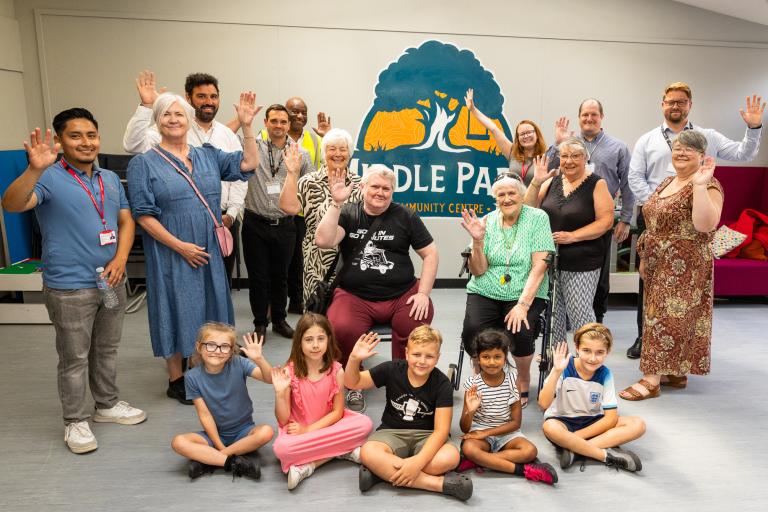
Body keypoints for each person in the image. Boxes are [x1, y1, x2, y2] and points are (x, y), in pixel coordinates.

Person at [2, 108, 146, 454]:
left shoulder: (109, 179)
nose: (86, 142)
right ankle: (75, 421)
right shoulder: (48, 177)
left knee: (107, 349)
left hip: (110, 279)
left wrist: (121, 259)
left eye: (91, 135)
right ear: (61, 140)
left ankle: (107, 405)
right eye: (76, 136)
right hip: (69, 285)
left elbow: (126, 221)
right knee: (74, 357)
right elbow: (12, 204)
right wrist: (35, 168)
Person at [127, 92, 260, 404]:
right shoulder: (143, 164)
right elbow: (143, 216)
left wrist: (247, 126)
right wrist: (180, 246)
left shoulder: (208, 155)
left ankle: (205, 371)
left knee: (211, 307)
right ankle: (176, 378)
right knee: (174, 307)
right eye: (166, 114)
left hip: (208, 248)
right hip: (170, 249)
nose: (173, 120)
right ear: (157, 121)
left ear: (189, 120)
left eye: (179, 114)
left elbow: (249, 163)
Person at [626, 82, 764, 359]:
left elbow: (743, 154)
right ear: (662, 104)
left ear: (690, 105)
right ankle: (645, 337)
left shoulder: (707, 136)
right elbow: (634, 177)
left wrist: (753, 129)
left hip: (694, 220)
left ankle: (684, 347)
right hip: (656, 220)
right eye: (670, 101)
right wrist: (661, 202)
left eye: (681, 101)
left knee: (687, 290)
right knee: (650, 282)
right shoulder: (647, 139)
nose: (675, 106)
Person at [315, 164, 439, 412]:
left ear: (393, 192)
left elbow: (431, 253)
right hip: (355, 296)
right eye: (375, 186)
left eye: (387, 188)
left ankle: (406, 383)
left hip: (401, 293)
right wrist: (336, 204)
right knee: (341, 328)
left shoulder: (406, 216)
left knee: (415, 323)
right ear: (362, 188)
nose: (380, 192)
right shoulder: (348, 213)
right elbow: (323, 241)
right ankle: (353, 383)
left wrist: (423, 294)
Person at [619, 131, 723, 401]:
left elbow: (705, 225)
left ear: (702, 156)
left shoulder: (709, 185)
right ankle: (673, 371)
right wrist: (644, 258)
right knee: (660, 316)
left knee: (663, 319)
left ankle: (651, 379)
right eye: (678, 147)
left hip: (685, 265)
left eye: (690, 149)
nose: (682, 152)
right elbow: (652, 222)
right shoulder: (667, 181)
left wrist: (700, 185)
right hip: (657, 261)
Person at [123, 70, 247, 279]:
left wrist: (232, 213)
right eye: (201, 96)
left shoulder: (227, 134)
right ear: (188, 98)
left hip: (222, 222)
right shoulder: (173, 126)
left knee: (220, 284)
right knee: (185, 287)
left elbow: (240, 177)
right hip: (179, 225)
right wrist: (147, 107)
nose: (208, 102)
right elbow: (133, 144)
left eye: (213, 96)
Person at [344, 326, 472, 501]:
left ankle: (381, 473)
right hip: (391, 432)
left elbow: (441, 432)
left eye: (429, 356)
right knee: (368, 451)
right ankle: (437, 484)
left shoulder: (442, 384)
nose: (422, 361)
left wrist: (417, 462)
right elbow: (353, 382)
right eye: (416, 354)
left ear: (438, 358)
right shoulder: (392, 369)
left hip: (427, 436)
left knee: (450, 457)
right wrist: (353, 359)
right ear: (406, 353)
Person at [459, 172, 554, 408]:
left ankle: (522, 377)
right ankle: (483, 377)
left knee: (520, 329)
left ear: (522, 196)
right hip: (485, 289)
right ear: (495, 199)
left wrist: (522, 305)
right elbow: (478, 270)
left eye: (512, 193)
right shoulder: (487, 221)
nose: (507, 198)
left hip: (525, 290)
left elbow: (540, 266)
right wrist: (478, 242)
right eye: (501, 195)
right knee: (473, 329)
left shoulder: (537, 218)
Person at [551, 99, 635, 323]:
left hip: (600, 218)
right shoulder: (569, 144)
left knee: (599, 275)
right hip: (567, 215)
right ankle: (568, 317)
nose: (589, 119)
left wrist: (626, 219)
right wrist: (557, 142)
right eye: (585, 115)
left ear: (601, 117)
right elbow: (550, 168)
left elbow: (628, 184)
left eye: (593, 115)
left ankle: (596, 319)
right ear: (579, 117)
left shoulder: (618, 147)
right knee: (560, 272)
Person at [524, 138, 614, 345]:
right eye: (564, 156)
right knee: (554, 317)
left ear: (585, 158)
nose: (569, 161)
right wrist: (536, 181)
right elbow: (527, 210)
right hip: (550, 261)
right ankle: (556, 362)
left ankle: (590, 359)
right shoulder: (552, 181)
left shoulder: (597, 184)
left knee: (580, 314)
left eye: (575, 156)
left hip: (582, 262)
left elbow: (606, 222)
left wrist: (573, 236)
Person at [271, 313, 373, 489]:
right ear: (299, 342)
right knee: (281, 449)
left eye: (320, 338)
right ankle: (344, 450)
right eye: (309, 339)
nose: (316, 345)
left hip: (326, 426)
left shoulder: (336, 371)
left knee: (365, 424)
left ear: (329, 340)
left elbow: (338, 412)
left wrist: (308, 430)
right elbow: (282, 420)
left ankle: (309, 465)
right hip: (297, 431)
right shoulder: (290, 372)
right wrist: (280, 394)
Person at [241, 104, 313, 340]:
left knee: (281, 276)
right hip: (256, 223)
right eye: (274, 121)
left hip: (285, 225)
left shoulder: (300, 154)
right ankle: (260, 322)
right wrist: (245, 122)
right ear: (266, 123)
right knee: (258, 277)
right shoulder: (254, 148)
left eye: (283, 122)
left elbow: (310, 185)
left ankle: (280, 320)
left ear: (289, 125)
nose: (279, 126)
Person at [170, 323, 274, 480]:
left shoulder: (239, 363)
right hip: (214, 435)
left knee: (266, 432)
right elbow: (205, 415)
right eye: (210, 345)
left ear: (231, 351)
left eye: (224, 347)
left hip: (244, 431)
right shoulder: (192, 377)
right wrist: (218, 444)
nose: (217, 351)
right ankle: (232, 461)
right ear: (199, 347)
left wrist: (259, 359)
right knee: (178, 442)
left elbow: (269, 379)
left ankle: (211, 460)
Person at [539, 323, 646, 472]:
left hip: (592, 421)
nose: (592, 358)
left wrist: (575, 437)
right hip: (563, 420)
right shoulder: (564, 367)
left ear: (608, 352)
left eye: (599, 352)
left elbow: (610, 418)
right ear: (576, 347)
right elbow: (544, 404)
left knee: (637, 424)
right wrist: (556, 371)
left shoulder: (605, 374)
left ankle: (574, 451)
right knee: (549, 427)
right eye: (586, 351)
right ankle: (604, 455)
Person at [279, 128, 363, 309]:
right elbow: (289, 207)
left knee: (348, 316)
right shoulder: (309, 181)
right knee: (317, 316)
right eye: (332, 148)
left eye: (343, 149)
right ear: (324, 152)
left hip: (351, 262)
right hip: (316, 263)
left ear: (350, 153)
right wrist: (292, 173)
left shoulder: (360, 184)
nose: (338, 154)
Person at [459, 330, 557, 484]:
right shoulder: (472, 385)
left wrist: (486, 433)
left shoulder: (513, 381)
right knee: (469, 449)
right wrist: (470, 412)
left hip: (507, 433)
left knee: (530, 451)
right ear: (478, 358)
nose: (492, 362)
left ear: (505, 358)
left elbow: (515, 423)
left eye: (497, 357)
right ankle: (524, 470)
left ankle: (480, 461)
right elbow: (465, 428)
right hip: (479, 433)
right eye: (486, 357)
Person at [464, 88, 554, 186]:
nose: (526, 136)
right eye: (522, 134)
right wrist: (473, 110)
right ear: (518, 138)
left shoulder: (546, 158)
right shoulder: (512, 153)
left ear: (537, 135)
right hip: (514, 200)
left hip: (537, 200)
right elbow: (494, 129)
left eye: (529, 132)